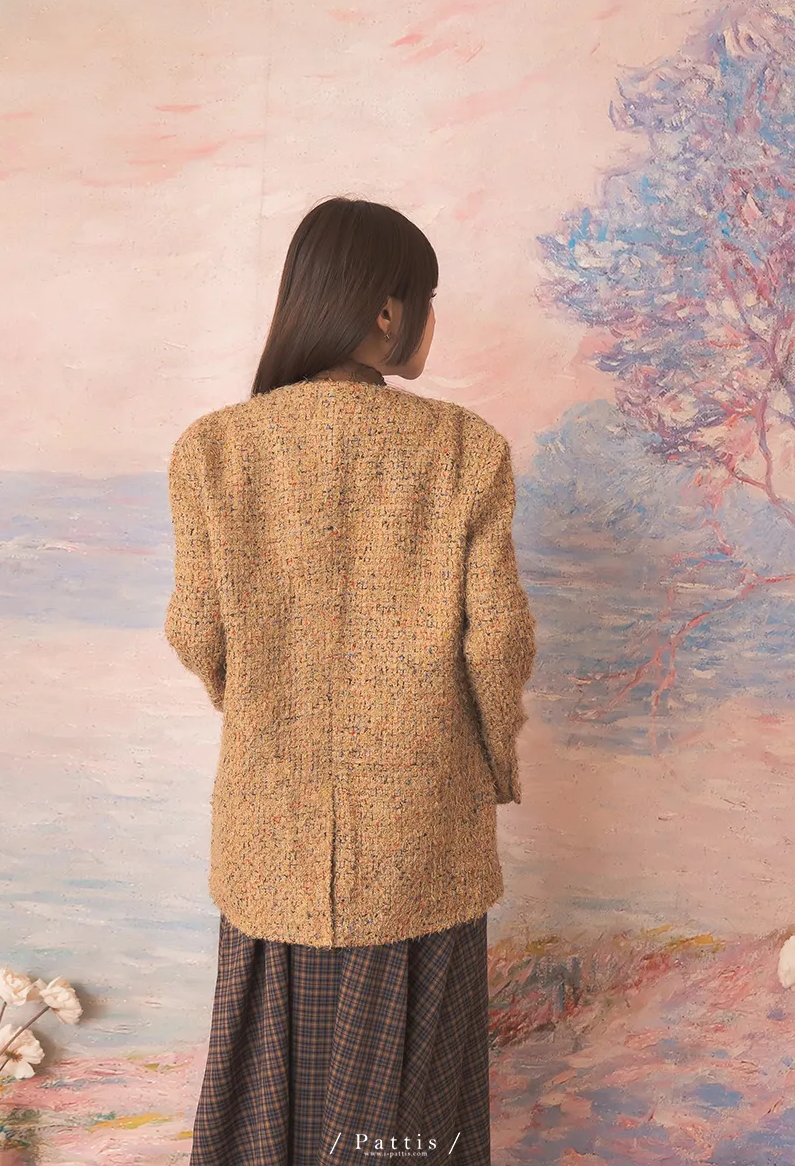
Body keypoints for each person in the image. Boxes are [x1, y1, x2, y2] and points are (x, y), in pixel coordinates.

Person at [164, 195, 537, 1165]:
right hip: (423, 828)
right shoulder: (464, 449)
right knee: (410, 1110)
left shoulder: (214, 449)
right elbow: (496, 642)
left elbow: (195, 632)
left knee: (267, 1085)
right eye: (426, 299)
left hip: (270, 827)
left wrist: (265, 703)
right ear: (384, 308)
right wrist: (491, 762)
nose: (429, 320)